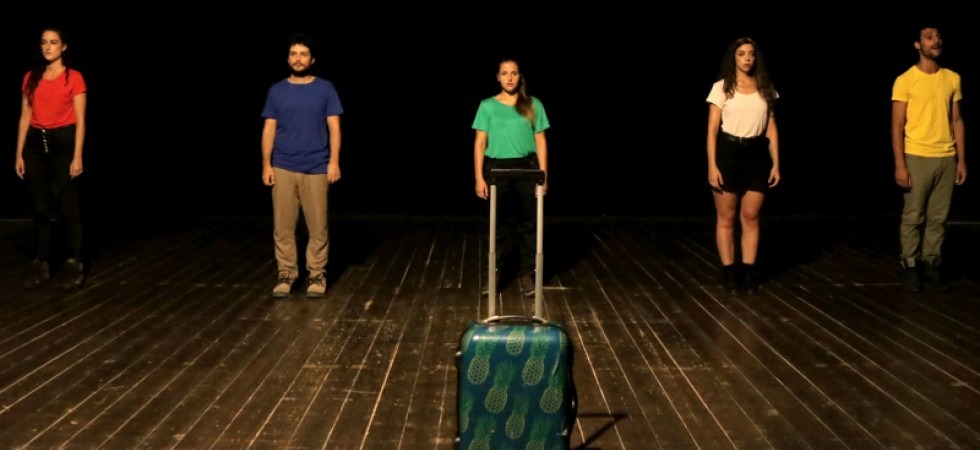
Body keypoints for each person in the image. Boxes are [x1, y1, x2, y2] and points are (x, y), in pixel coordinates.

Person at [261, 33, 343, 298]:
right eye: (294, 54)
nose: (298, 59)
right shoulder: (276, 91)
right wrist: (266, 164)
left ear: (312, 59)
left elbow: (334, 127)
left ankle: (316, 274)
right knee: (283, 226)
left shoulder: (325, 89)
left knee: (317, 226)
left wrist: (334, 161)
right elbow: (269, 129)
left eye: (303, 54)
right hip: (283, 165)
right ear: (288, 59)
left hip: (316, 166)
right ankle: (286, 274)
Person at [891, 23, 966, 292]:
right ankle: (910, 264)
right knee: (914, 215)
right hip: (917, 155)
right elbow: (897, 126)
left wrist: (961, 159)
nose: (936, 41)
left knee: (938, 217)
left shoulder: (952, 78)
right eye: (929, 37)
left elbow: (957, 120)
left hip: (946, 156)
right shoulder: (905, 80)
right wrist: (900, 165)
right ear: (917, 44)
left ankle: (932, 262)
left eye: (938, 37)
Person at [705, 37, 781, 295]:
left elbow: (771, 127)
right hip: (729, 152)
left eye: (751, 54)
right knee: (726, 217)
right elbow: (712, 130)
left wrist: (776, 163)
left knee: (750, 216)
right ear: (733, 57)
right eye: (741, 54)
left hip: (757, 153)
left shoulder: (765, 87)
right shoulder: (722, 87)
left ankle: (748, 272)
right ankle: (729, 272)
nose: (747, 58)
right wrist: (712, 166)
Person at [15, 27, 87, 291]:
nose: (48, 47)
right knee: (40, 207)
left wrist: (77, 156)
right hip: (36, 143)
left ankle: (74, 261)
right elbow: (25, 116)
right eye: (44, 42)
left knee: (68, 206)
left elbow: (80, 121)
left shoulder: (74, 78)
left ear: (63, 47)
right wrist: (19, 153)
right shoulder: (31, 77)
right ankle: (42, 261)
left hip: (64, 143)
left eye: (54, 42)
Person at [473, 58, 550, 297]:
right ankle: (494, 274)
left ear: (520, 76)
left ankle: (527, 274)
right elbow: (480, 143)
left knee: (529, 223)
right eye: (505, 73)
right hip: (497, 169)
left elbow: (540, 140)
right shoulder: (487, 105)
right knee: (496, 225)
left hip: (527, 168)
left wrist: (543, 175)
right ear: (498, 77)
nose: (509, 77)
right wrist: (479, 177)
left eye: (514, 73)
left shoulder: (533, 104)